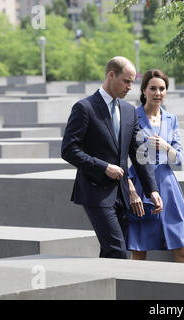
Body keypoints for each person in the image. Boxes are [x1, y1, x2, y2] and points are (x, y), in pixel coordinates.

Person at [61, 56, 163, 259]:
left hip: (122, 193)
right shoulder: (84, 108)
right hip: (95, 191)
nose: (130, 87)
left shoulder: (128, 111)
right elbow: (69, 150)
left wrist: (152, 189)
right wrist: (103, 167)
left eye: (132, 82)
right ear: (111, 76)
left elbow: (138, 152)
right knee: (117, 250)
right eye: (126, 81)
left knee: (113, 250)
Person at [126, 69, 184, 263]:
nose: (158, 93)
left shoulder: (171, 119)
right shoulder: (131, 116)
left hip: (168, 187)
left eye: (162, 89)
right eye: (153, 88)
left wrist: (165, 146)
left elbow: (179, 159)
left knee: (183, 250)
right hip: (141, 187)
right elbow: (121, 156)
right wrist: (131, 190)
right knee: (139, 251)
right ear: (144, 90)